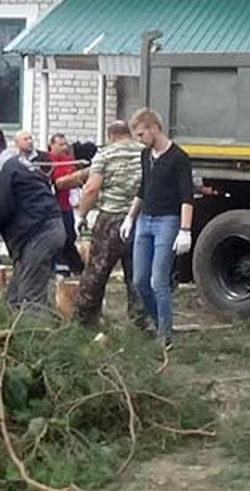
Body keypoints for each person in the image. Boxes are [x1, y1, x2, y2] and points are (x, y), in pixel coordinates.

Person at [120, 108, 194, 350]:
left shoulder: (178, 158)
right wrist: (130, 217)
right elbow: (144, 189)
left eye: (141, 134)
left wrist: (185, 229)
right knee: (140, 280)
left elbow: (187, 196)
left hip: (167, 221)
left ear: (153, 128)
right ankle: (156, 321)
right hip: (145, 219)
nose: (139, 139)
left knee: (158, 280)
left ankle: (166, 332)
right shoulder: (146, 155)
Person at [74, 121, 145, 328]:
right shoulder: (144, 152)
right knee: (136, 273)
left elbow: (91, 188)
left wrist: (81, 215)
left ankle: (84, 321)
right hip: (138, 218)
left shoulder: (105, 155)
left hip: (111, 218)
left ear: (111, 136)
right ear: (128, 134)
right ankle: (142, 321)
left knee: (96, 272)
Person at [0, 130, 67, 310]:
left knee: (31, 297)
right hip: (42, 228)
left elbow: (3, 208)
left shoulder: (5, 169)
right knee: (14, 295)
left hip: (40, 232)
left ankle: (36, 334)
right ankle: (20, 332)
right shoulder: (16, 163)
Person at [48, 133, 85, 275]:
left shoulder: (69, 161)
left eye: (65, 144)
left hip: (66, 206)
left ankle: (75, 266)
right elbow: (57, 183)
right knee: (58, 238)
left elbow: (75, 182)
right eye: (61, 144)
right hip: (53, 207)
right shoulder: (48, 161)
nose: (64, 147)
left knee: (70, 236)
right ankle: (60, 265)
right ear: (52, 145)